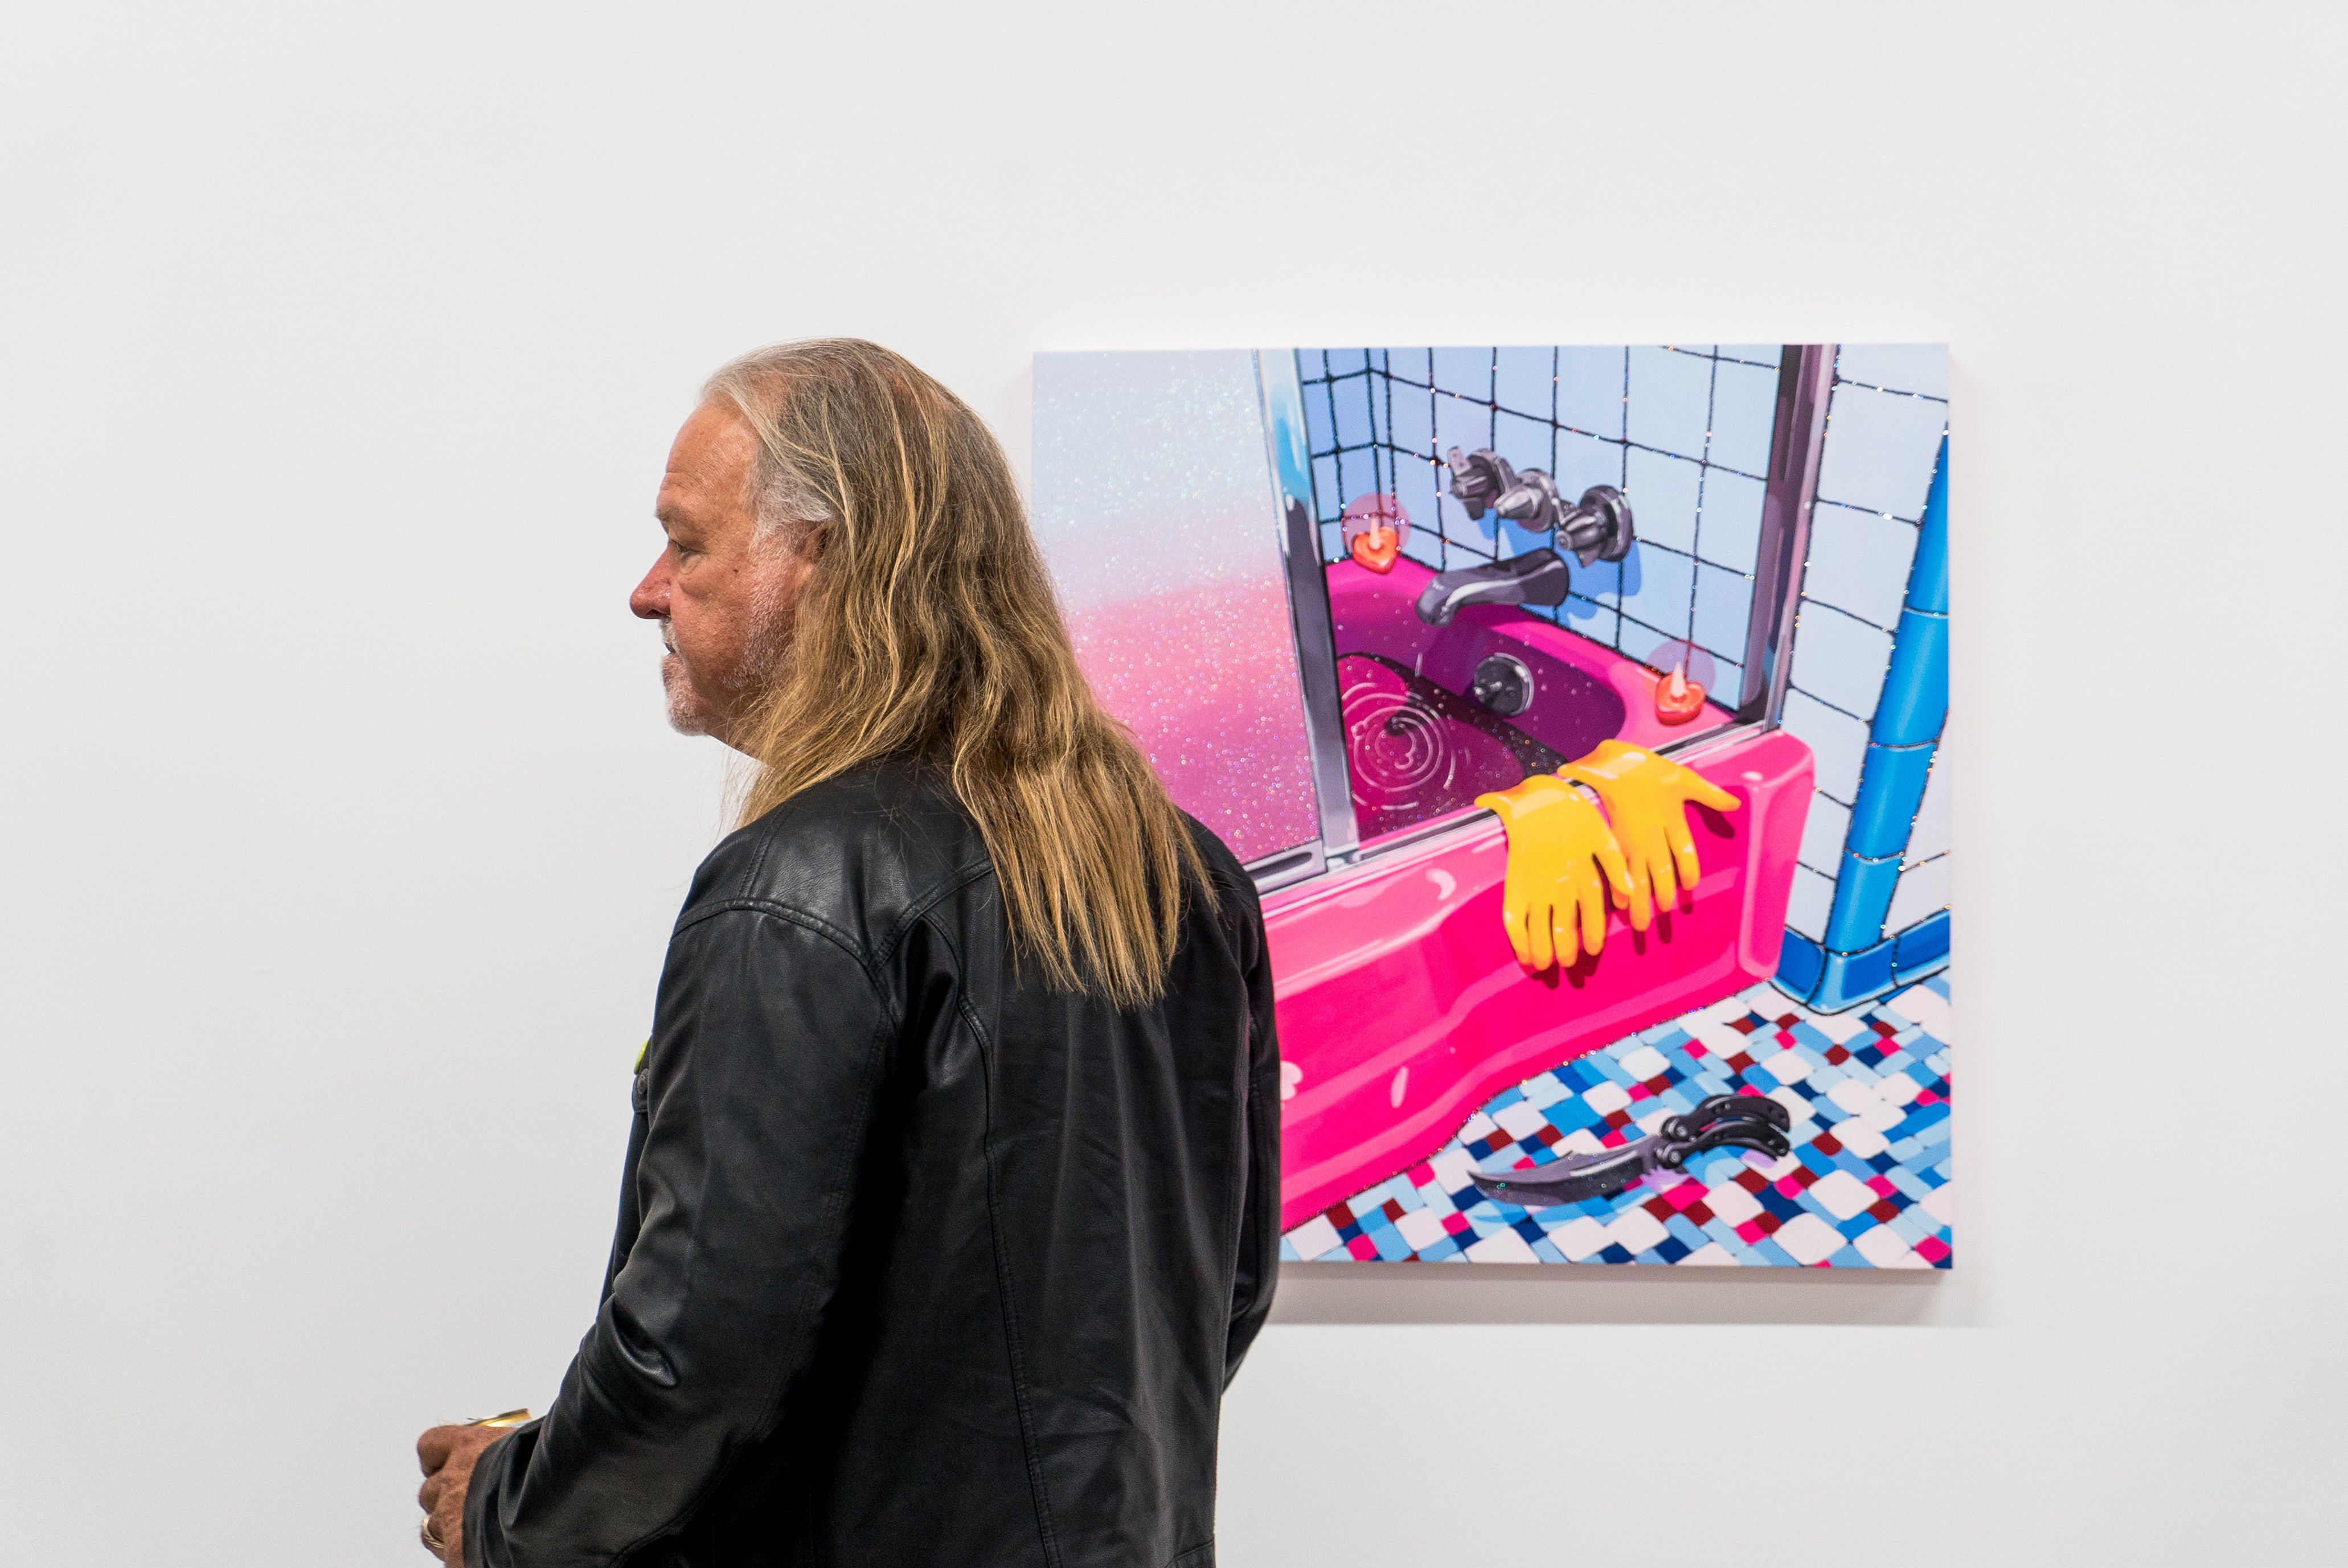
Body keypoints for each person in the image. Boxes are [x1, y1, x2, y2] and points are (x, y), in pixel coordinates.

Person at [415, 340, 1281, 1567]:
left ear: (815, 555)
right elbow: (1216, 1300)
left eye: (689, 542)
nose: (649, 590)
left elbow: (697, 1357)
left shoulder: (804, 883)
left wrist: (507, 1506)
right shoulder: (1185, 874)